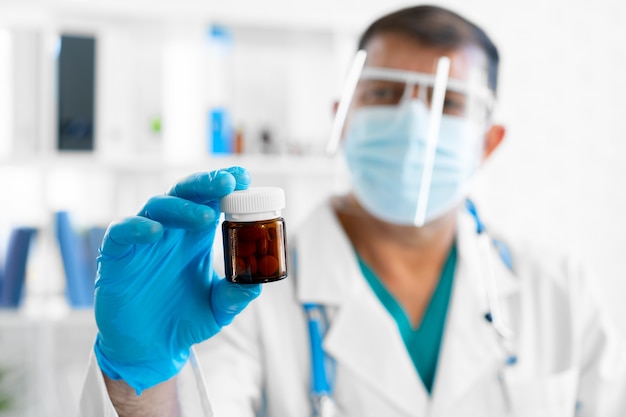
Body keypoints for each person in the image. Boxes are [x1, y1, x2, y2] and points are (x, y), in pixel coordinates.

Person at [79, 5, 626, 417]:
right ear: (342, 118)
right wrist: (138, 380)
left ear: (488, 141)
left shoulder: (559, 287)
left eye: (448, 102)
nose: (415, 123)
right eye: (387, 93)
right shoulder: (240, 290)